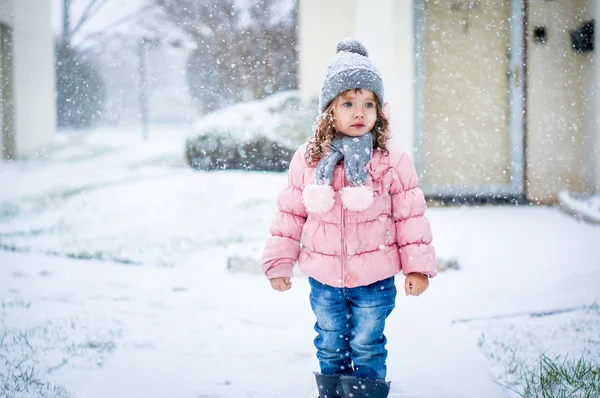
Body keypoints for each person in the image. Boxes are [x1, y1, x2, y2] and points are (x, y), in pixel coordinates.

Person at [261, 37, 437, 398]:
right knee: (329, 342)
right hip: (324, 278)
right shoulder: (309, 160)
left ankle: (365, 393)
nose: (360, 112)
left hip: (374, 277)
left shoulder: (390, 159)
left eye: (368, 103)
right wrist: (279, 261)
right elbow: (290, 212)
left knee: (367, 343)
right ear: (329, 110)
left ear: (379, 110)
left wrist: (417, 267)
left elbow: (410, 218)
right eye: (348, 103)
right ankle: (334, 392)